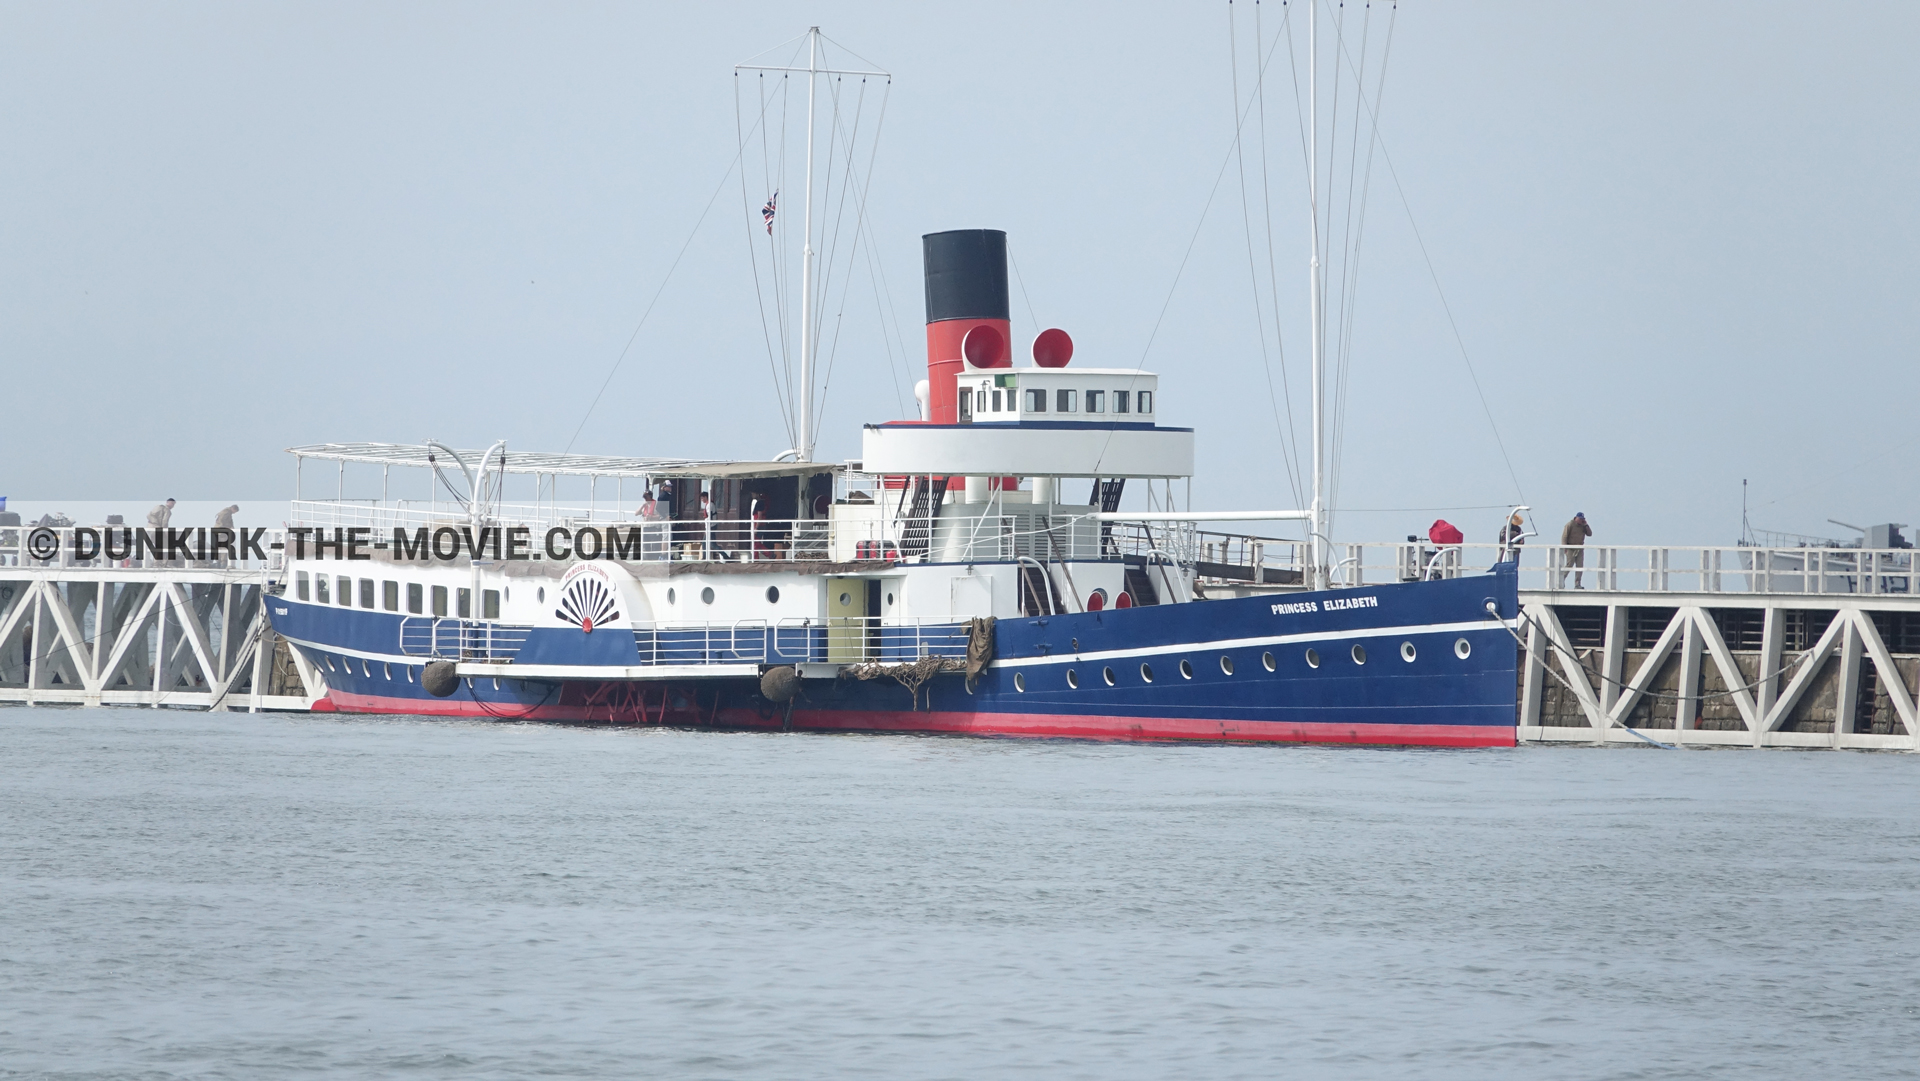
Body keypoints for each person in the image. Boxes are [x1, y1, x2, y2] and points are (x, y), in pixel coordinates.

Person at [1557, 512, 1593, 588]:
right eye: (1580, 519)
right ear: (1576, 518)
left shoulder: (1583, 526)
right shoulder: (1570, 524)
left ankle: (1577, 583)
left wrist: (1586, 525)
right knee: (1570, 564)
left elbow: (1589, 534)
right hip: (1570, 547)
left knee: (1580, 566)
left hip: (1579, 548)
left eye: (1582, 519)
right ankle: (1561, 579)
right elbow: (1564, 536)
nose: (1581, 521)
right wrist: (1564, 547)